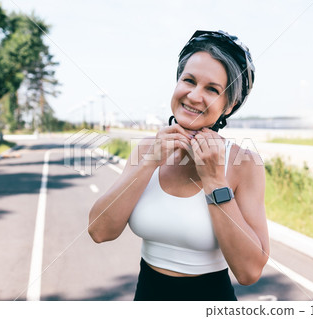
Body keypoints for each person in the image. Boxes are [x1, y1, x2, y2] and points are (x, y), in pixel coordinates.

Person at [88, 30, 269, 301]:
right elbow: (99, 231)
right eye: (189, 80)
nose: (195, 96)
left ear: (229, 105)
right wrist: (149, 163)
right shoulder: (147, 150)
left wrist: (215, 182)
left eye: (212, 89)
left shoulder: (244, 164)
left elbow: (249, 271)